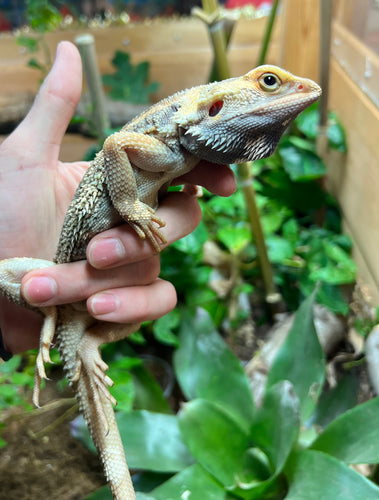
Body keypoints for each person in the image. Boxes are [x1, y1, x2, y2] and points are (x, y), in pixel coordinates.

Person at [0, 41, 236, 358]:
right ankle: (55, 319)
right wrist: (127, 204)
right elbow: (117, 143)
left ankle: (88, 343)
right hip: (46, 281)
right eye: (269, 84)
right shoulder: (166, 149)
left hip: (62, 293)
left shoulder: (182, 157)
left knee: (130, 304)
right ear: (216, 105)